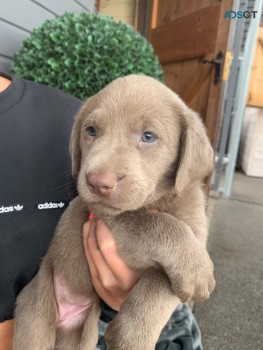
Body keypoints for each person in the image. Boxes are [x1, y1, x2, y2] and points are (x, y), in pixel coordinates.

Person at [0, 72, 203, 350]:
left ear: (185, 152)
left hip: (97, 316)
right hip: (47, 292)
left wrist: (140, 318)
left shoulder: (55, 109)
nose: (100, 174)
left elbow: (184, 278)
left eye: (148, 136)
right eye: (92, 132)